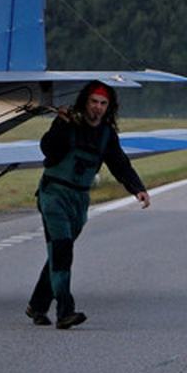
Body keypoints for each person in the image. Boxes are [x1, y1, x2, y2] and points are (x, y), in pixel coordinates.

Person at [25, 81, 150, 329]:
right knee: (62, 250)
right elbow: (47, 149)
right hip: (54, 194)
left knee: (59, 251)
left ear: (109, 107)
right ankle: (65, 312)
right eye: (94, 102)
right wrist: (61, 125)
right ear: (85, 101)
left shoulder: (106, 134)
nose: (98, 108)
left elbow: (119, 164)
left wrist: (138, 188)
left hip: (79, 199)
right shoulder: (67, 122)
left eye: (103, 104)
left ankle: (37, 305)